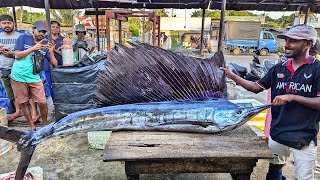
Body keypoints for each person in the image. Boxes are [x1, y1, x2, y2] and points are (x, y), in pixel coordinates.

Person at [221, 25, 320, 179]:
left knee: (304, 177)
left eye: (293, 41)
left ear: (307, 43)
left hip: (303, 136)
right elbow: (255, 87)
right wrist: (232, 76)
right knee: (275, 172)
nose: (287, 44)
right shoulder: (279, 68)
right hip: (278, 132)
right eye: (286, 40)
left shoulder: (317, 69)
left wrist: (292, 97)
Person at [11, 21, 58, 130]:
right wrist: (33, 48)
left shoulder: (45, 45)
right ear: (33, 29)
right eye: (39, 31)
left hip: (34, 77)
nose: (41, 33)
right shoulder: (23, 38)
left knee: (42, 102)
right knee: (23, 102)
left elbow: (55, 64)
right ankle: (32, 127)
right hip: (18, 76)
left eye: (44, 32)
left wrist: (51, 52)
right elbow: (17, 55)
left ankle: (45, 126)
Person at [0, 15, 23, 120]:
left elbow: (24, 51)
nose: (7, 25)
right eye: (4, 23)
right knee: (10, 91)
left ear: (14, 23)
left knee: (21, 90)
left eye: (9, 23)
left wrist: (12, 53)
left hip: (17, 67)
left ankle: (26, 111)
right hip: (3, 67)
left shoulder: (20, 36)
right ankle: (18, 111)